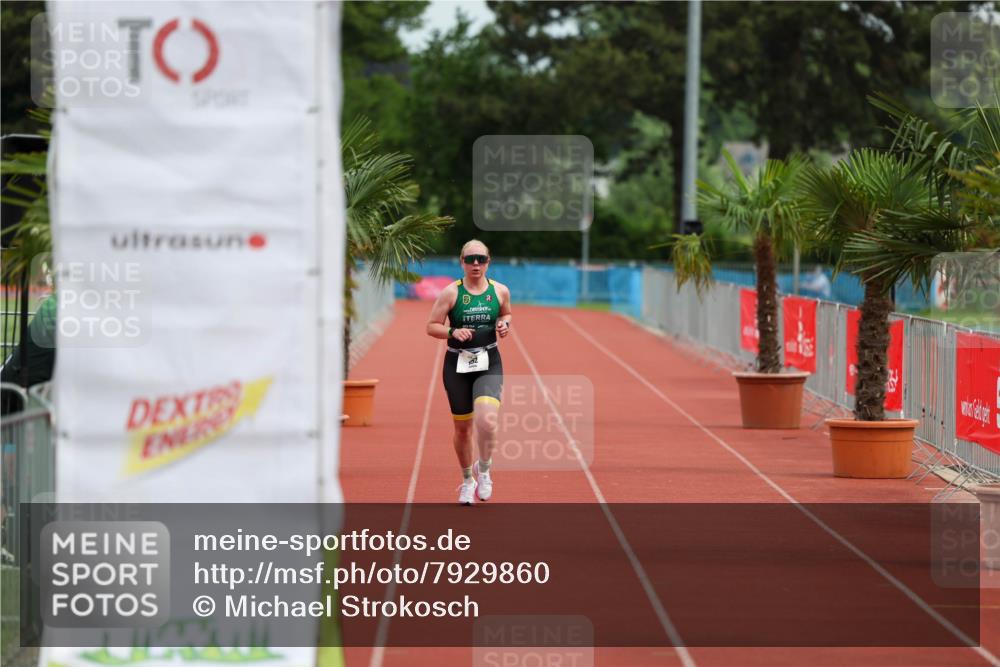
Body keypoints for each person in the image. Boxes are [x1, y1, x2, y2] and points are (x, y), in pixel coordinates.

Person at [426, 240, 512, 505]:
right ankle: (467, 480)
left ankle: (484, 471)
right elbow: (431, 326)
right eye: (471, 259)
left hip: (489, 360)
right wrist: (453, 332)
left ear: (489, 261)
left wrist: (504, 324)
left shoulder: (500, 291)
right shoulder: (451, 293)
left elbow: (506, 314)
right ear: (461, 261)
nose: (476, 264)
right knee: (462, 429)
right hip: (457, 364)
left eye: (481, 259)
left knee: (487, 421)